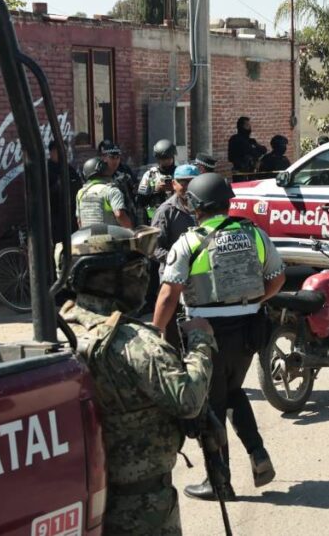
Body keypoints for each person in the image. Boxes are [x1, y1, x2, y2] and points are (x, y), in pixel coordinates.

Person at [60, 224, 214, 533]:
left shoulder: (61, 330)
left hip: (84, 498)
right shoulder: (134, 342)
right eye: (135, 270)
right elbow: (188, 400)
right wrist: (201, 343)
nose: (143, 279)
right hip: (143, 504)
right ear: (104, 277)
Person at [153, 173, 285, 500]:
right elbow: (277, 277)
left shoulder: (190, 241)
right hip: (248, 329)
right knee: (233, 391)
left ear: (195, 205)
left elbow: (169, 295)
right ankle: (258, 453)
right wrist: (256, 300)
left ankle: (219, 482)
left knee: (210, 405)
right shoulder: (254, 233)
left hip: (206, 334)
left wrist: (156, 335)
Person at [151, 164, 200, 349]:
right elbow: (153, 248)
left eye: (191, 182)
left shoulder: (203, 207)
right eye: (182, 182)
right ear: (174, 184)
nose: (186, 186)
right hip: (172, 279)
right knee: (173, 332)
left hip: (199, 279)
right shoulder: (166, 211)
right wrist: (179, 260)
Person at [76, 157, 133, 229]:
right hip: (110, 238)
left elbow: (79, 221)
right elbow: (119, 215)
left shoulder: (81, 193)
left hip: (87, 237)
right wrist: (131, 231)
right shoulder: (112, 191)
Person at [48, 139, 81, 242]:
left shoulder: (69, 169)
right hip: (54, 216)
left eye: (65, 151)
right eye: (60, 151)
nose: (64, 154)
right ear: (52, 152)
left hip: (71, 215)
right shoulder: (46, 170)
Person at [137, 139, 178, 223]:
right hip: (156, 218)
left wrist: (175, 189)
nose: (166, 161)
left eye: (168, 158)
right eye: (163, 158)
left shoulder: (179, 173)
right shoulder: (150, 175)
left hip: (176, 216)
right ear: (158, 158)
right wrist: (156, 190)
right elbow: (140, 201)